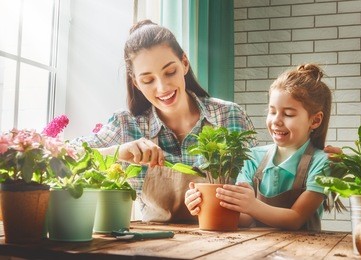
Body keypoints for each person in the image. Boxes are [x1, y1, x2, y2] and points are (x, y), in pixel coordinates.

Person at [73, 19, 258, 223]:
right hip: (156, 247)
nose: (162, 88)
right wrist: (118, 152)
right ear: (136, 82)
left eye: (170, 72)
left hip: (227, 242)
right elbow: (61, 158)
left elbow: (256, 198)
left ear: (184, 63)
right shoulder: (127, 125)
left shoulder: (229, 116)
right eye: (148, 80)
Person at [185, 64, 333, 231]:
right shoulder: (252, 157)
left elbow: (296, 218)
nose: (276, 120)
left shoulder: (322, 163)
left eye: (288, 114)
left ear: (315, 121)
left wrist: (252, 205)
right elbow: (245, 219)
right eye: (272, 112)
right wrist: (203, 203)